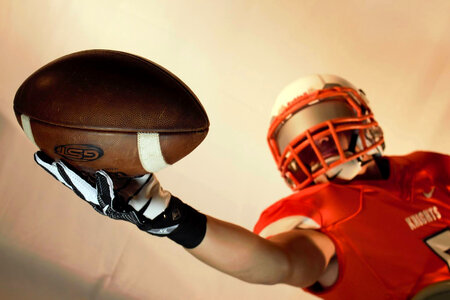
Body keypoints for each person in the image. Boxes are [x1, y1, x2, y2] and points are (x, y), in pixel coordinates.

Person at [34, 74, 449, 299]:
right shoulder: (321, 211)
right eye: (300, 138)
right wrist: (171, 217)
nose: (316, 141)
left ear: (361, 113)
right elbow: (277, 261)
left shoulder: (432, 167)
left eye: (327, 122)